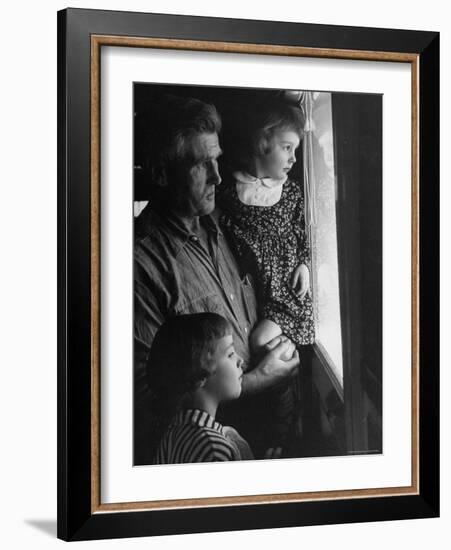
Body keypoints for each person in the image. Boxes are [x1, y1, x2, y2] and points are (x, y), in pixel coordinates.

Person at [134, 95, 299, 464]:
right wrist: (259, 379)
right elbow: (149, 399)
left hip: (263, 436)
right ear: (161, 173)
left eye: (217, 160)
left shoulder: (223, 222)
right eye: (200, 165)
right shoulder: (138, 264)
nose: (218, 176)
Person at [217, 99, 315, 446]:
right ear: (262, 143)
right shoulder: (228, 193)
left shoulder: (288, 193)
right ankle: (284, 432)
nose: (292, 158)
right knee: (256, 344)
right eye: (287, 148)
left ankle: (284, 429)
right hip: (254, 294)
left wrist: (304, 262)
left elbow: (306, 232)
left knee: (262, 342)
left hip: (286, 293)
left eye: (296, 149)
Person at [147, 313, 255, 463]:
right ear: (200, 374)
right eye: (230, 354)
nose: (240, 360)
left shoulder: (173, 434)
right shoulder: (214, 450)